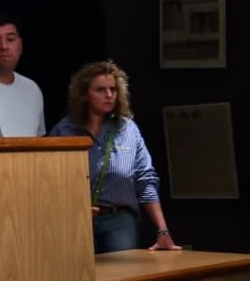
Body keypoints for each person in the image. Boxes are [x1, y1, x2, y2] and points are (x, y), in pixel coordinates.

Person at [48, 60, 181, 254]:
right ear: (85, 94)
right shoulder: (64, 130)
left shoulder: (128, 129)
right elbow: (49, 182)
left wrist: (163, 230)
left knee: (119, 278)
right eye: (100, 90)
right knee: (78, 280)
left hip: (118, 220)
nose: (109, 95)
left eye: (112, 89)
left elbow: (146, 180)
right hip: (74, 220)